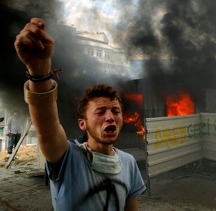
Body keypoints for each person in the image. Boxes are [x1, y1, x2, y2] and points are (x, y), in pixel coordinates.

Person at [14, 18, 146, 210]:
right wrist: (39, 72)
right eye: (100, 111)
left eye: (115, 111)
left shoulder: (128, 162)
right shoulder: (67, 158)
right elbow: (47, 127)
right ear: (82, 124)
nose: (110, 117)